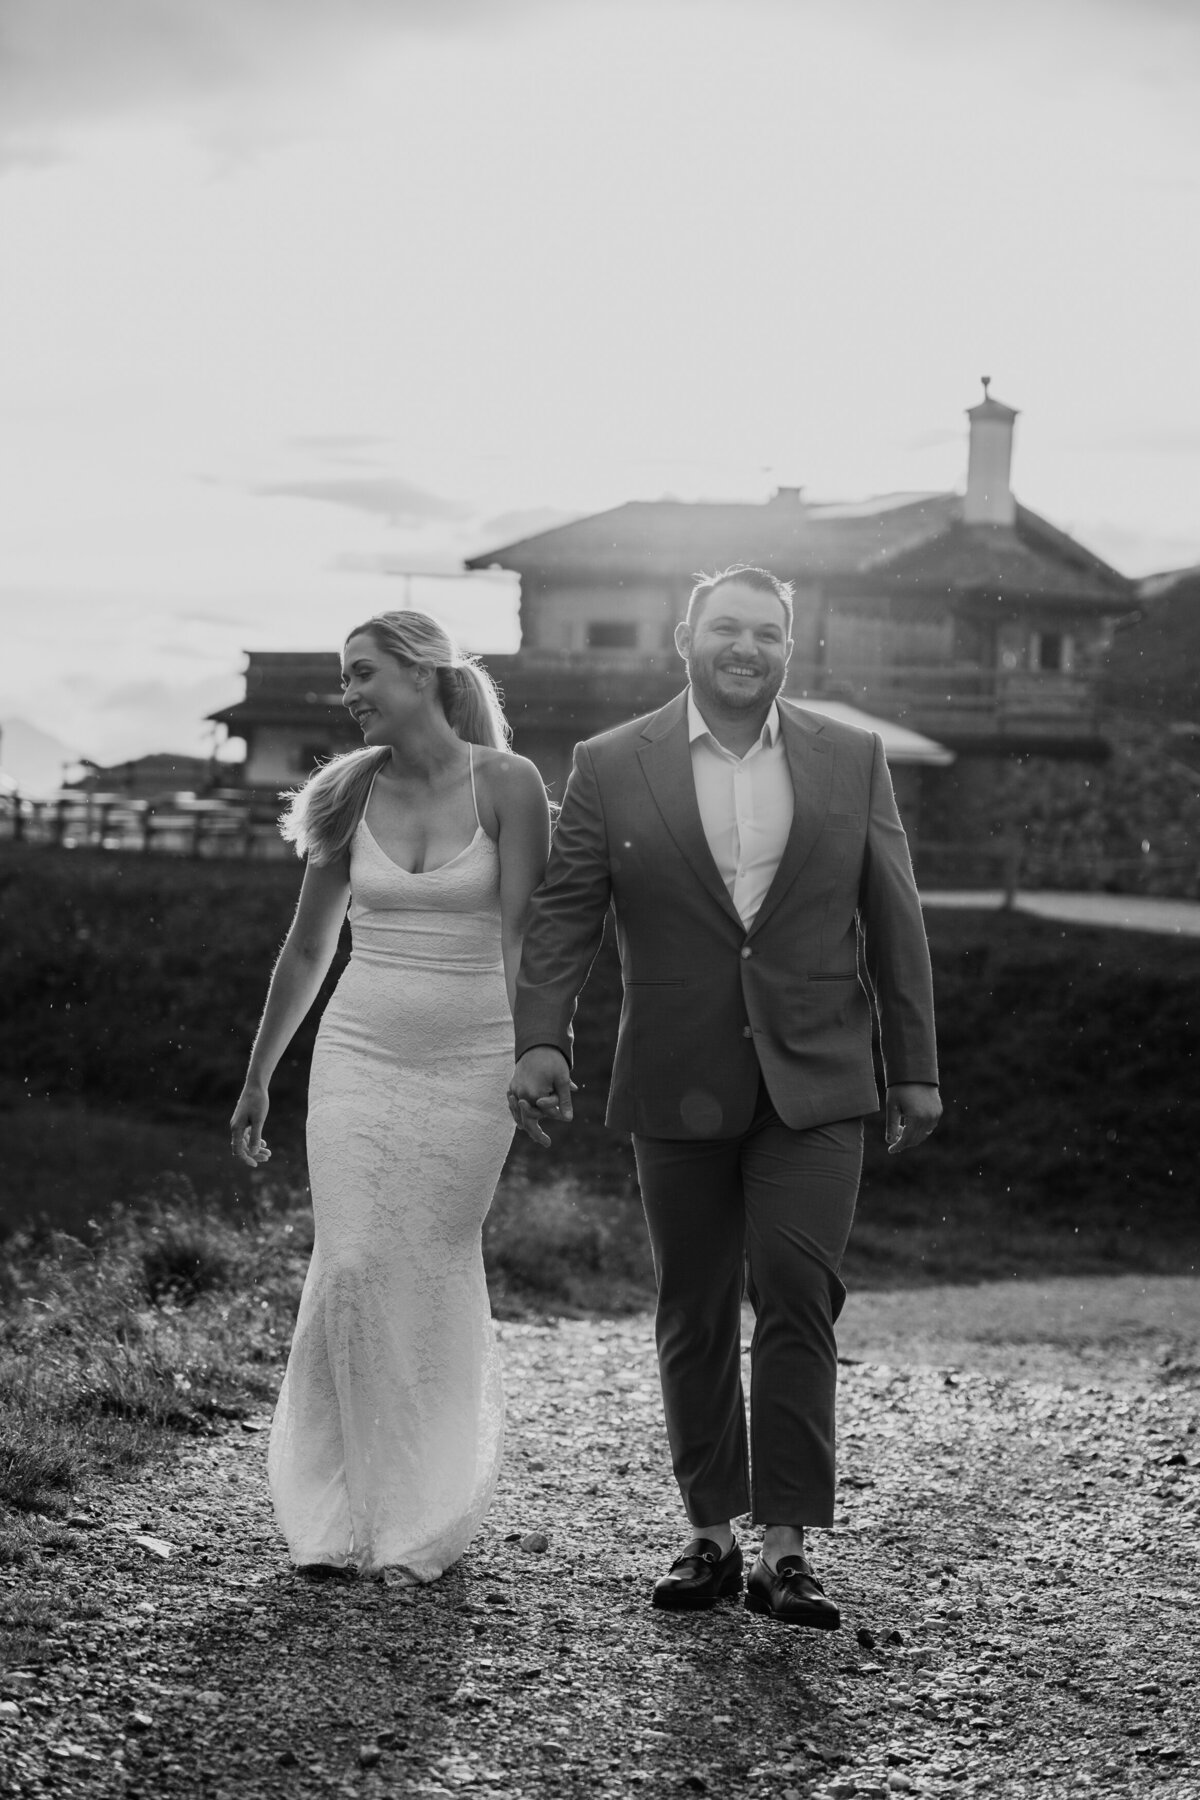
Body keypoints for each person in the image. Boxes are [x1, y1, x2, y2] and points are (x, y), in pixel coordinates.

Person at [507, 565, 940, 1628]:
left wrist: (916, 1064)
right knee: (693, 1305)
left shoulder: (853, 757)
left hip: (821, 1075)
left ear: (792, 649)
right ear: (684, 639)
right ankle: (711, 1533)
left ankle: (787, 1550)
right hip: (676, 1073)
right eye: (728, 629)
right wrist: (541, 1036)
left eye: (770, 633)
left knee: (796, 1289)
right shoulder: (611, 764)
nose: (747, 648)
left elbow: (896, 915)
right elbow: (566, 913)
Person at [230, 610, 550, 1582]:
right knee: (357, 1260)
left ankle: (422, 1505)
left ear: (423, 671)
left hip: (473, 1065)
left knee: (431, 1261)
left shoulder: (510, 784)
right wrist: (257, 1077)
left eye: (362, 673)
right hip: (359, 1054)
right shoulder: (345, 791)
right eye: (344, 680)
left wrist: (542, 1051)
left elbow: (524, 936)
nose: (350, 695)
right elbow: (308, 947)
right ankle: (337, 1509)